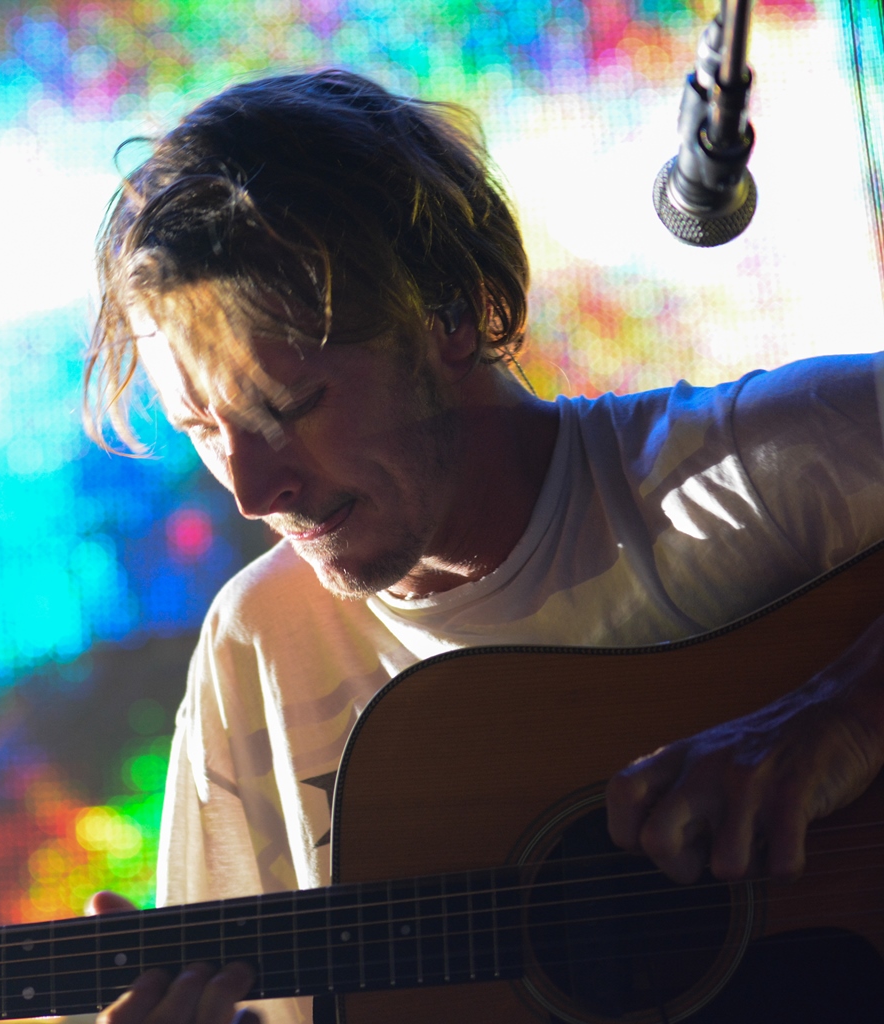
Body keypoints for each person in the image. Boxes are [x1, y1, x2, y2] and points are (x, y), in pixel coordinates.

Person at [79, 69, 884, 1024]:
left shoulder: (765, 472)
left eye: (289, 407)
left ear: (450, 316)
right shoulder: (260, 648)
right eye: (201, 429)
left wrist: (840, 716)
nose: (253, 492)